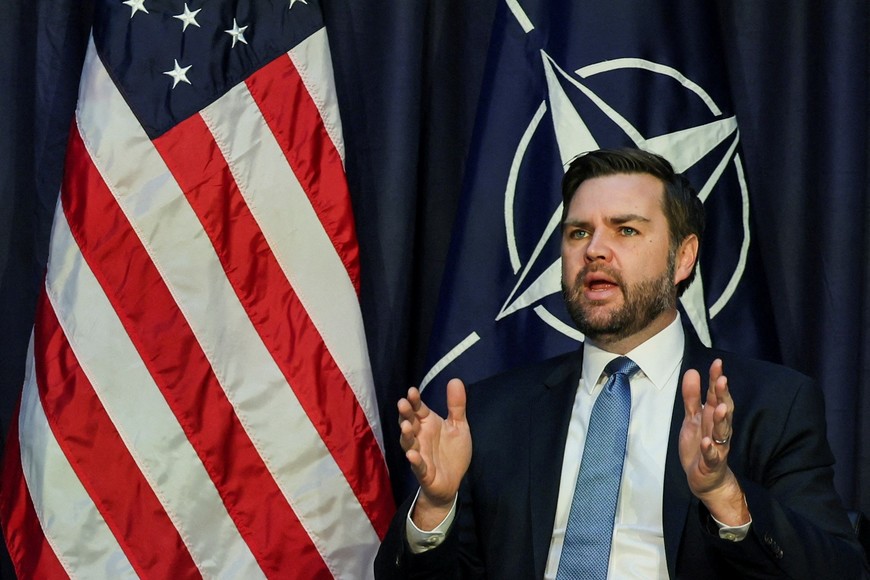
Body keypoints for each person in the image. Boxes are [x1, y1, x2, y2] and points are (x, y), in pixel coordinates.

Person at [374, 148, 869, 579]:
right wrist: (435, 509)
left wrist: (724, 496)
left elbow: (839, 570)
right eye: (578, 233)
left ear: (683, 257)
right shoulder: (492, 413)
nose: (593, 250)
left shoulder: (771, 405)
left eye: (626, 229)